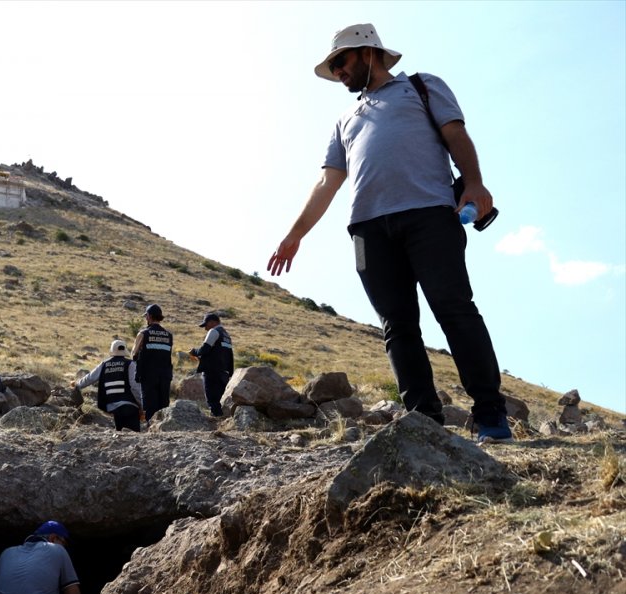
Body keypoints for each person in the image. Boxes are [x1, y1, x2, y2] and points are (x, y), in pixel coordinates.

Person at [266, 24, 511, 443]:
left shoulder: (421, 87)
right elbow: (328, 182)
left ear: (367, 52)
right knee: (396, 326)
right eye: (333, 67)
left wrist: (473, 181)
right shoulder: (344, 120)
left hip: (429, 214)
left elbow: (455, 134)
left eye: (340, 62)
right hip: (367, 230)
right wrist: (296, 234)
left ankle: (490, 415)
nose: (338, 72)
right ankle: (423, 423)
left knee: (454, 309)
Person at [0, 520, 89, 594]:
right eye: (64, 543)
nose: (65, 548)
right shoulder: (58, 550)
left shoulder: (7, 553)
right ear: (53, 538)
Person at [74, 339, 143, 432]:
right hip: (129, 406)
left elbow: (90, 378)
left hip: (112, 407)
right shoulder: (130, 364)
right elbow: (134, 387)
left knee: (120, 436)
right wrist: (141, 405)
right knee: (134, 436)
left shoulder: (104, 364)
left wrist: (77, 385)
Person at [130, 303, 173, 423]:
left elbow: (133, 355)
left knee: (149, 405)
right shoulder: (169, 335)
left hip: (148, 375)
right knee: (163, 404)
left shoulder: (143, 334)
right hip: (165, 375)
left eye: (146, 316)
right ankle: (163, 427)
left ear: (149, 316)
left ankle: (151, 429)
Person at [189, 313, 234, 417]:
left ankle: (216, 420)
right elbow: (229, 355)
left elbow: (204, 349)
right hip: (224, 373)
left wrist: (194, 351)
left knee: (213, 399)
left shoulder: (214, 331)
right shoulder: (226, 335)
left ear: (212, 322)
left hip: (211, 372)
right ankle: (222, 420)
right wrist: (230, 372)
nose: (205, 328)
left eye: (206, 325)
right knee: (220, 399)